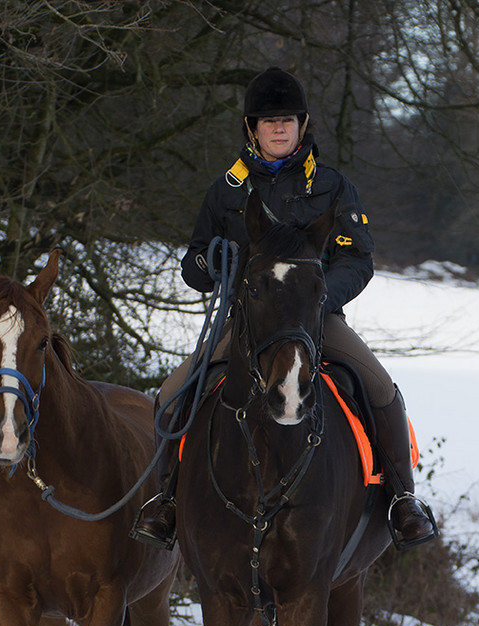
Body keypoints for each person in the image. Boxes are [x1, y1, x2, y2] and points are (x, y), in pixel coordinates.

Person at [131, 67, 437, 551]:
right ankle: (164, 500)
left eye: (287, 120)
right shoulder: (226, 191)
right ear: (251, 128)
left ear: (302, 123)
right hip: (248, 324)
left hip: (318, 321)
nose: (279, 128)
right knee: (171, 394)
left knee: (380, 389)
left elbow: (357, 258)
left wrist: (318, 301)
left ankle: (403, 500)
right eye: (268, 120)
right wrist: (210, 262)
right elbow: (193, 264)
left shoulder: (334, 188)